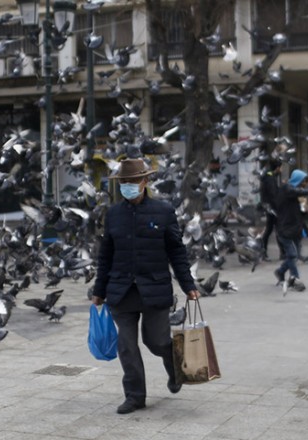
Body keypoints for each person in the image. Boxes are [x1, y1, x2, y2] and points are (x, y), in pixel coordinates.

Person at [92, 158, 200, 415]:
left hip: (154, 289)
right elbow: (105, 255)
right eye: (124, 182)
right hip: (121, 290)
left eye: (133, 181)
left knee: (157, 341)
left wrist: (188, 285)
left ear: (145, 182)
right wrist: (99, 290)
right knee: (126, 346)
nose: (128, 186)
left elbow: (176, 251)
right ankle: (135, 396)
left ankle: (174, 367)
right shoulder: (114, 214)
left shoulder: (163, 211)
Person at [274, 169, 308, 294]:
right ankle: (295, 280)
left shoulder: (294, 193)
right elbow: (293, 192)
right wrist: (307, 192)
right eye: (302, 182)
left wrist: (304, 209)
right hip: (285, 227)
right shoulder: (286, 188)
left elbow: (298, 212)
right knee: (292, 255)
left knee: (293, 257)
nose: (304, 185)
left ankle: (280, 272)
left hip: (295, 227)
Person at [260, 158, 283, 260]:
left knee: (270, 230)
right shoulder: (270, 178)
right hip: (272, 208)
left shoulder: (269, 176)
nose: (281, 170)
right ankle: (283, 253)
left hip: (270, 207)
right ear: (277, 168)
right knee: (277, 230)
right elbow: (273, 195)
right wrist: (278, 207)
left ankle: (264, 252)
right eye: (281, 167)